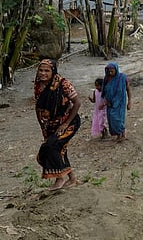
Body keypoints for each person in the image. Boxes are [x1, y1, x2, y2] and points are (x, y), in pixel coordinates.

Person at [34, 59, 81, 190]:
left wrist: (65, 124)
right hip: (50, 125)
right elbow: (39, 106)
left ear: (53, 71)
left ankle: (59, 178)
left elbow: (77, 103)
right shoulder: (38, 86)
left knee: (52, 146)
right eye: (41, 70)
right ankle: (72, 178)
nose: (43, 73)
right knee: (60, 149)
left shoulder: (63, 84)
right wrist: (43, 127)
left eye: (46, 71)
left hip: (69, 122)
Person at [101, 63, 131, 142]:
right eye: (109, 71)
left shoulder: (122, 78)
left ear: (116, 70)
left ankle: (123, 134)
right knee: (111, 119)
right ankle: (118, 135)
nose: (110, 73)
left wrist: (129, 102)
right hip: (110, 103)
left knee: (118, 119)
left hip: (120, 103)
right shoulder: (107, 78)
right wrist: (103, 101)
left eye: (112, 71)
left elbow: (128, 89)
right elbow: (104, 90)